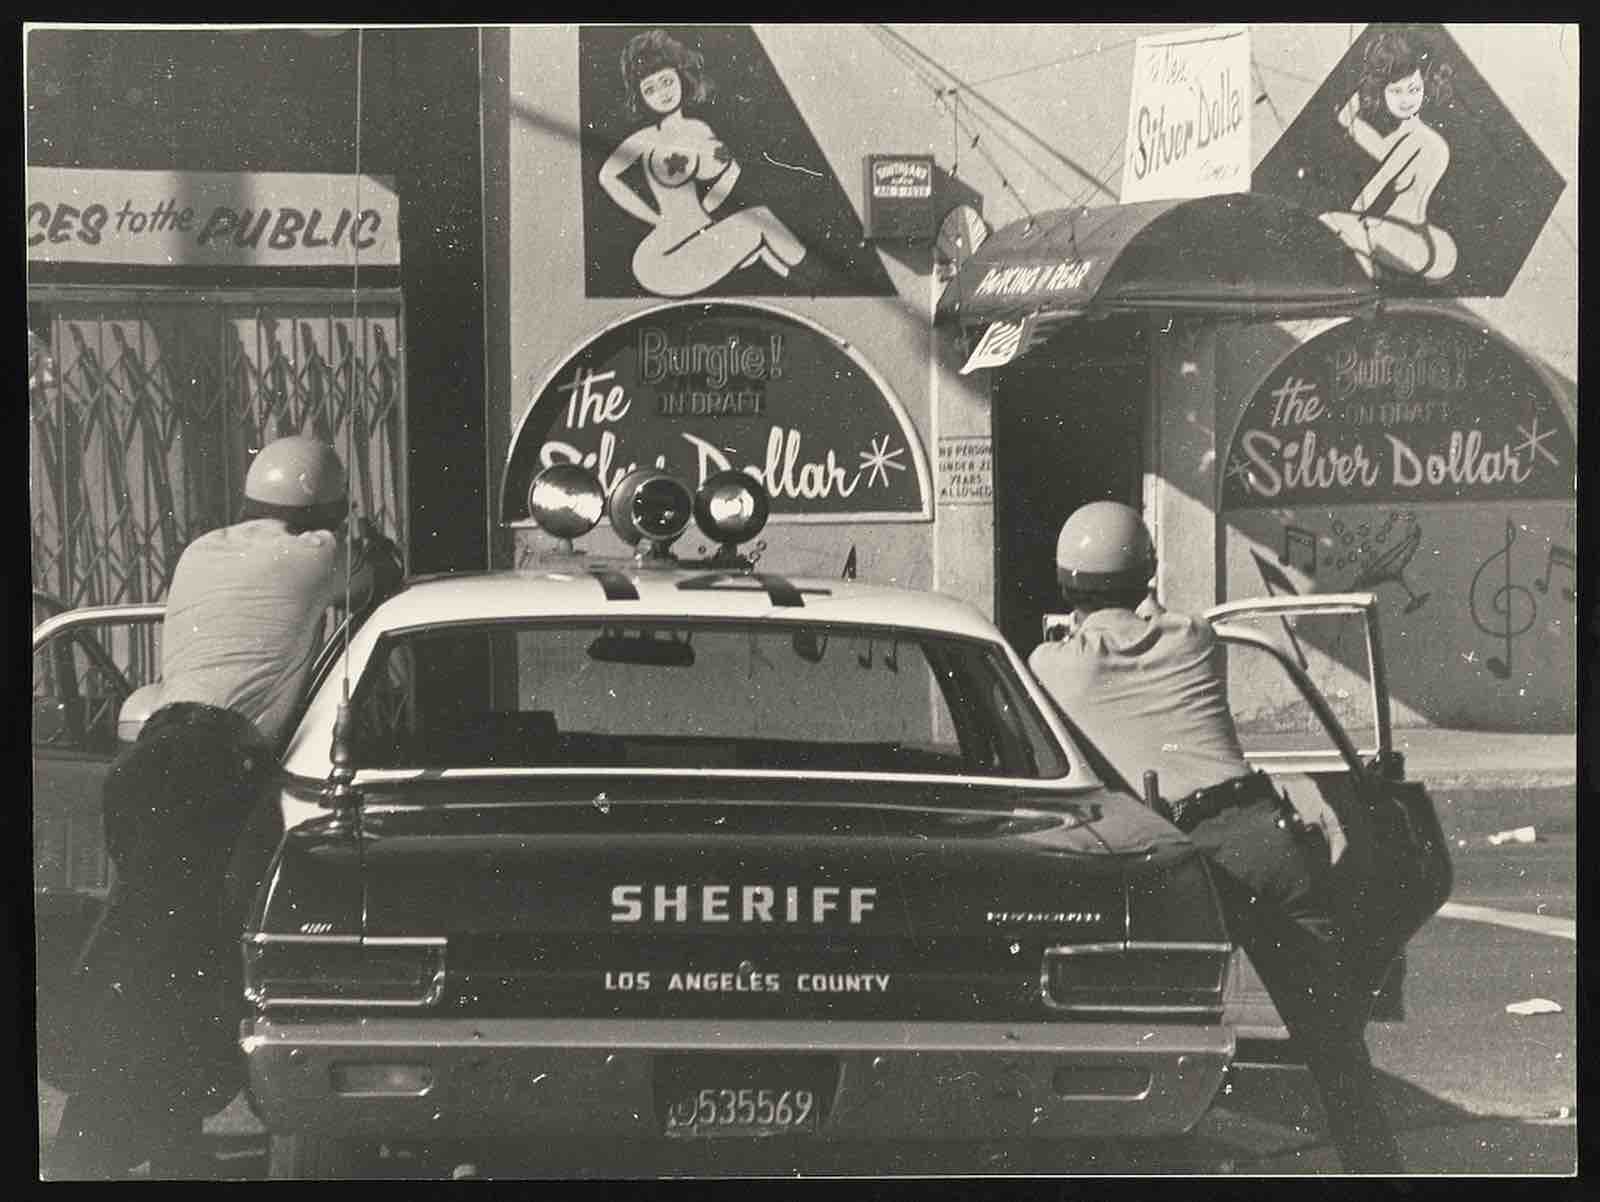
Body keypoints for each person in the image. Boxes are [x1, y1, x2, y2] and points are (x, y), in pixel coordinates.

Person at [46, 435, 403, 1179]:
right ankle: (95, 1145)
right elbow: (379, 578)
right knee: (170, 966)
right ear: (325, 512)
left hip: (148, 763)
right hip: (211, 770)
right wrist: (359, 541)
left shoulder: (199, 551)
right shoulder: (314, 556)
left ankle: (166, 1140)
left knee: (166, 956)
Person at [1028, 501, 1404, 1174]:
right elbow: (1169, 620)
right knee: (1335, 1045)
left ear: (1065, 585)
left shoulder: (1056, 665)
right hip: (1265, 837)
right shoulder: (1195, 638)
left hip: (1173, 861)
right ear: (1147, 575)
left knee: (1151, 1041)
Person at [598, 28, 807, 298]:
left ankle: (816, 286)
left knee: (764, 249)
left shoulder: (700, 129)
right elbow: (606, 177)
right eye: (650, 89)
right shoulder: (645, 139)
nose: (662, 93)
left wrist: (708, 207)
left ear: (681, 78)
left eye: (666, 81)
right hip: (664, 256)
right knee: (760, 222)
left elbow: (729, 170)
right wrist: (655, 218)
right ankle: (819, 280)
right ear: (641, 97)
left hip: (699, 236)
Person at [1318, 28, 1457, 284]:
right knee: (1354, 232)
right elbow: (1374, 144)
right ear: (1382, 92)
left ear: (1425, 87)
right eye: (1396, 92)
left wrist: (1346, 228)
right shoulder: (1416, 136)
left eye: (1413, 90)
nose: (1406, 100)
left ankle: (1368, 288)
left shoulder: (1415, 140)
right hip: (1428, 243)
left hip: (1407, 240)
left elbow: (1372, 190)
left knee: (1327, 222)